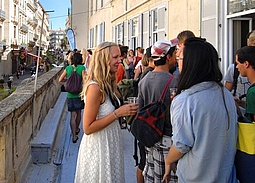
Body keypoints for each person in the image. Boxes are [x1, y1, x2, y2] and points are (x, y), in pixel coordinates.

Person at [162, 37, 237, 183]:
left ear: (191, 63)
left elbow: (181, 145)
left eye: (180, 58)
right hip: (226, 175)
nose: (177, 62)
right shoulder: (225, 94)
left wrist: (168, 160)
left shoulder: (186, 100)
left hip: (196, 176)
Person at [74, 42, 139, 183]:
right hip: (99, 149)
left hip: (110, 144)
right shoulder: (95, 87)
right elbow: (87, 127)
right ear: (104, 60)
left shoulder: (108, 83)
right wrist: (117, 113)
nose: (120, 60)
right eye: (115, 57)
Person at [137, 39, 178, 183]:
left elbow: (140, 109)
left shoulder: (144, 80)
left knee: (152, 176)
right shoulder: (175, 81)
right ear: (168, 57)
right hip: (168, 138)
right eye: (174, 54)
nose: (176, 57)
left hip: (150, 137)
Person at [136, 46, 155, 183]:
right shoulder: (149, 76)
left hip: (145, 126)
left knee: (143, 162)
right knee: (144, 163)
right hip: (150, 126)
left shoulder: (146, 74)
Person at [59, 52, 86, 143]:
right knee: (79, 113)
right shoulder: (82, 68)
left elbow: (60, 80)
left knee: (72, 115)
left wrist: (68, 79)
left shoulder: (68, 68)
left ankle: (74, 135)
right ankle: (77, 129)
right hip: (79, 94)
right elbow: (85, 80)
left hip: (70, 95)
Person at [235, 46, 255, 122]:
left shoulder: (253, 92)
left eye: (238, 63)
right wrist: (241, 103)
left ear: (246, 64)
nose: (237, 67)